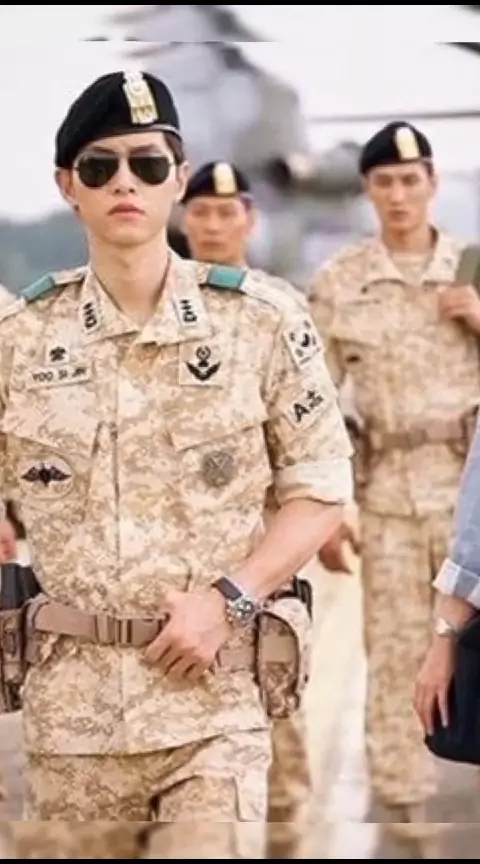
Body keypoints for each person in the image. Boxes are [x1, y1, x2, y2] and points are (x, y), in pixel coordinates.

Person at [0, 70, 353, 859]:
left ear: (178, 179)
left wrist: (232, 597)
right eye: (99, 167)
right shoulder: (19, 341)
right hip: (71, 724)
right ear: (67, 186)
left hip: (214, 710)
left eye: (147, 164)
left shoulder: (259, 322)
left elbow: (321, 485)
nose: (124, 182)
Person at [309, 120, 480, 857]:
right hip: (388, 503)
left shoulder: (474, 267)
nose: (400, 194)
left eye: (412, 179)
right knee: (399, 655)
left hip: (473, 500)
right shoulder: (341, 280)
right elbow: (308, 403)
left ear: (432, 182)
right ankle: (407, 815)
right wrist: (327, 506)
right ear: (368, 189)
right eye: (385, 182)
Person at [182, 160, 312, 859]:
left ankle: (288, 839)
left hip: (265, 547)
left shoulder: (279, 307)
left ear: (249, 220)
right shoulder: (159, 303)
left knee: (276, 701)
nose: (212, 225)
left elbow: (310, 434)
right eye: (200, 211)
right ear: (183, 217)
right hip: (183, 549)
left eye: (226, 212)